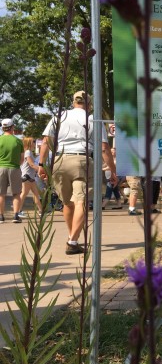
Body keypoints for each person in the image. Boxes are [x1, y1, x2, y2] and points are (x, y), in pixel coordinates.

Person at [38, 91, 117, 255]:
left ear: (73, 102)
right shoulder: (92, 119)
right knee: (81, 201)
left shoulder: (59, 116)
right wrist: (113, 171)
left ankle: (72, 237)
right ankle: (72, 241)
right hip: (81, 160)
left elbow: (45, 142)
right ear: (89, 104)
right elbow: (104, 148)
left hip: (60, 160)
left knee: (67, 202)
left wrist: (41, 165)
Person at [0, 118, 24, 223]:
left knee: (1, 194)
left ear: (2, 128)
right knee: (16, 193)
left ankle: (1, 216)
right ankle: (15, 216)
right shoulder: (18, 141)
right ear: (12, 127)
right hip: (14, 168)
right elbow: (22, 158)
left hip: (0, 168)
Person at [17, 136, 43, 217]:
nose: (34, 143)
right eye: (33, 142)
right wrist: (41, 169)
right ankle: (18, 211)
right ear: (29, 143)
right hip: (27, 176)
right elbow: (31, 164)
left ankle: (41, 211)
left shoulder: (29, 152)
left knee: (36, 194)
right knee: (24, 193)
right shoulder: (27, 152)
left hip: (30, 177)